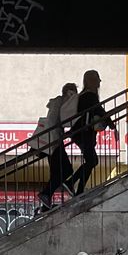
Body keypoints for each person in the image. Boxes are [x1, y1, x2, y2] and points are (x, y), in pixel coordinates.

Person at [64, 70, 115, 196]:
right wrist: (112, 125)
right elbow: (100, 111)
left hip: (81, 133)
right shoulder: (90, 96)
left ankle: (78, 190)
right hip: (84, 133)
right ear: (91, 81)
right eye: (97, 79)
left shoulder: (84, 95)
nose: (99, 82)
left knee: (91, 161)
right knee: (92, 161)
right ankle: (72, 183)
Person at [38, 83, 78, 213]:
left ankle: (45, 203)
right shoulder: (61, 103)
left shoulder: (58, 103)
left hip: (53, 141)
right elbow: (55, 121)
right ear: (69, 92)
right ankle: (46, 194)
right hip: (54, 141)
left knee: (56, 172)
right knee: (66, 170)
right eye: (74, 93)